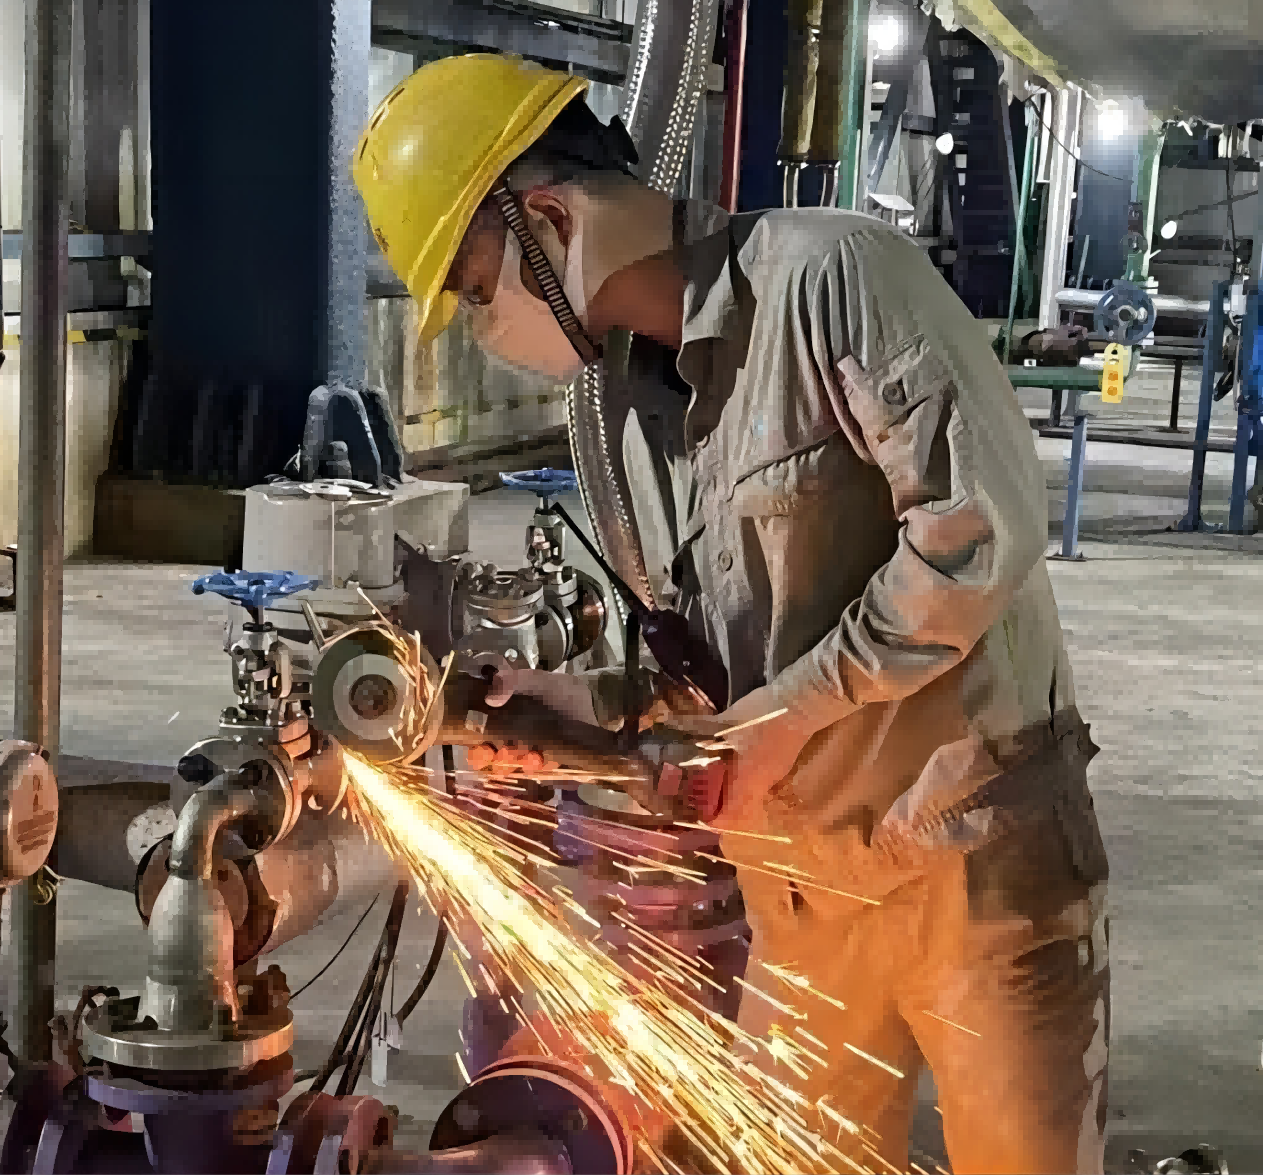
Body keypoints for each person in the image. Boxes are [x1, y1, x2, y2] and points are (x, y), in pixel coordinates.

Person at [354, 53, 1110, 1175]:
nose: (482, 326)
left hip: (971, 858)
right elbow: (713, 656)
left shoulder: (833, 275)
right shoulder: (622, 414)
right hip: (803, 886)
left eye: (473, 289)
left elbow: (974, 537)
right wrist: (585, 699)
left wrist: (780, 720)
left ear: (548, 220)